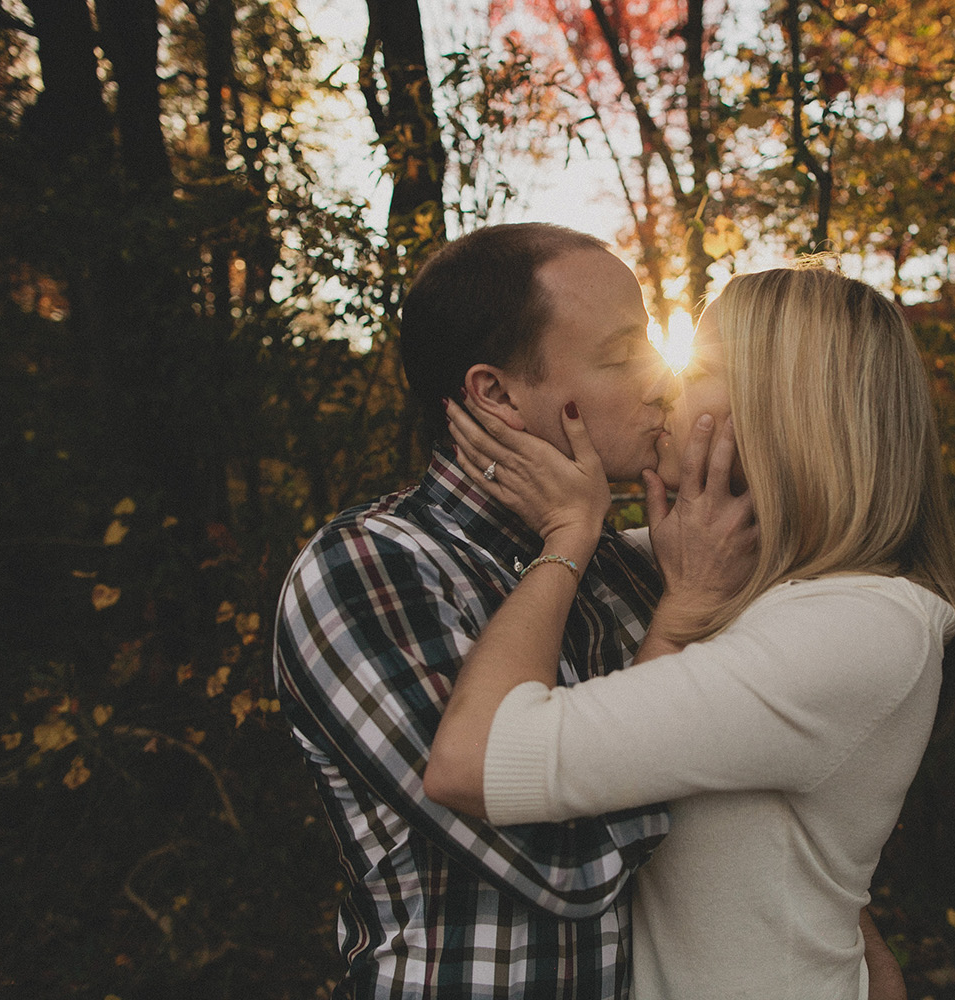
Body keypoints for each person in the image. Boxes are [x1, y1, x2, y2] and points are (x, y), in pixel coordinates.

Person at [424, 263, 955, 1000]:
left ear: (792, 407)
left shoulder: (857, 625)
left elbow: (473, 759)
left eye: (703, 367)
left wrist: (570, 532)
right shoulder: (728, 570)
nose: (662, 386)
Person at [272, 223, 683, 998]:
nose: (664, 380)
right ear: (494, 395)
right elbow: (565, 861)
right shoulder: (366, 569)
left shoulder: (635, 569)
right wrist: (576, 545)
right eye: (624, 353)